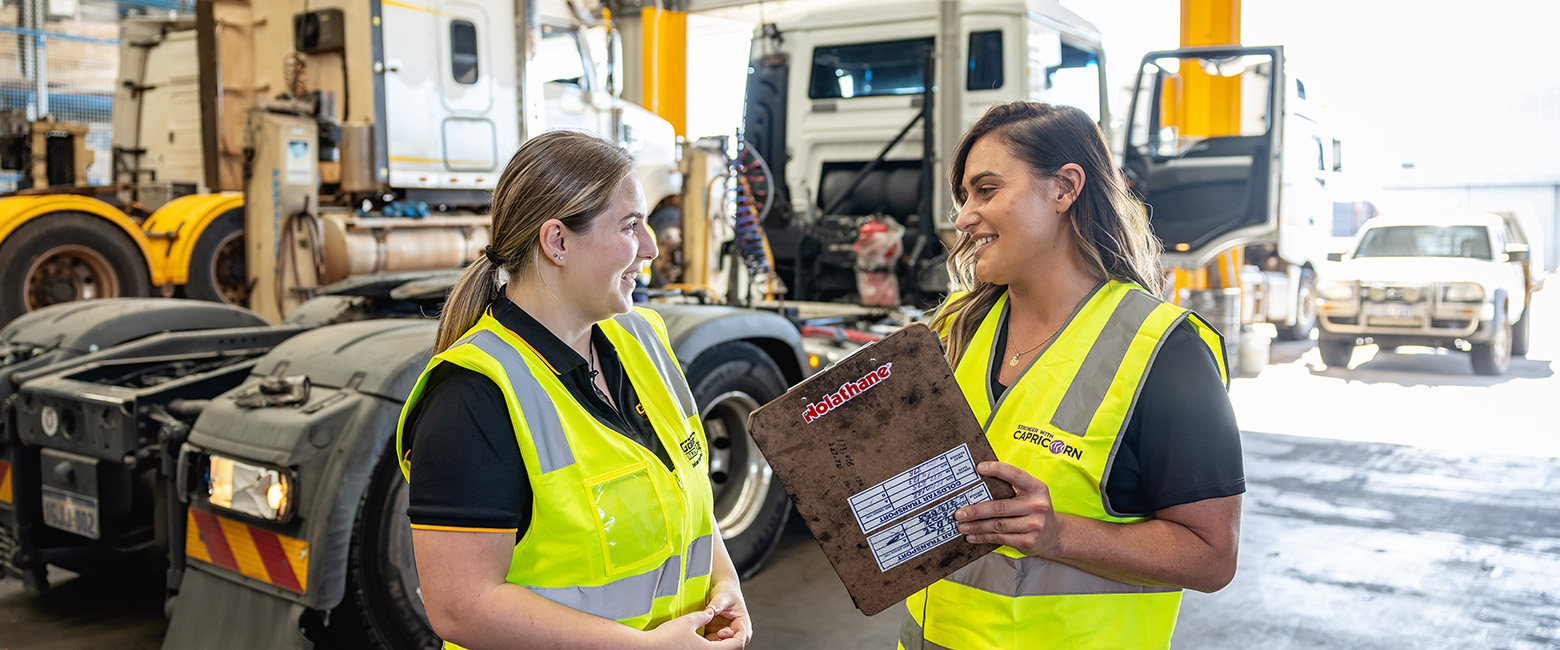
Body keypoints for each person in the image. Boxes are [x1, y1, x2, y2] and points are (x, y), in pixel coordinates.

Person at [902, 102, 1244, 649]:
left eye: (986, 191)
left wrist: (1058, 533)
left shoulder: (1165, 351)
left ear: (1064, 188)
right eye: (963, 197)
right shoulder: (954, 331)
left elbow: (1212, 557)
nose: (964, 217)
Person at [395, 131, 751, 650]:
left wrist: (726, 584)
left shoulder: (643, 338)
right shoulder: (473, 396)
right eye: (631, 226)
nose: (651, 247)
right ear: (556, 241)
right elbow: (460, 606)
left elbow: (684, 484)